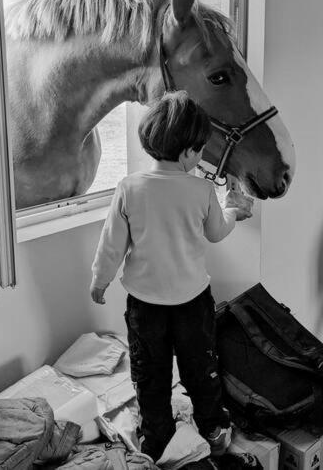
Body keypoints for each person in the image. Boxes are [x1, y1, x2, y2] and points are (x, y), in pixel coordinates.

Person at [90, 90, 253, 463]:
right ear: (185, 153)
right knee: (201, 368)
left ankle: (156, 437)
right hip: (192, 303)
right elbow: (216, 232)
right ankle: (212, 427)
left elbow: (111, 244)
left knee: (150, 373)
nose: (200, 156)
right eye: (199, 149)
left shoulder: (129, 188)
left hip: (144, 305)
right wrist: (233, 212)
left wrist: (100, 280)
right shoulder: (200, 190)